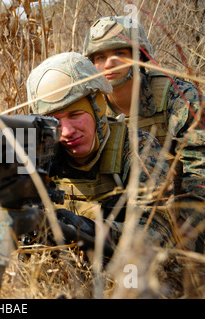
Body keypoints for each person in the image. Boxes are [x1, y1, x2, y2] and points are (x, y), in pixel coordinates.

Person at [26, 52, 174, 250]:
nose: (67, 132)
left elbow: (159, 233)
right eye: (55, 122)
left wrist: (90, 230)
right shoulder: (43, 153)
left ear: (99, 108)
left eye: (76, 114)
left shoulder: (137, 148)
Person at [82, 16, 205, 253]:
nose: (109, 63)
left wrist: (189, 219)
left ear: (141, 57)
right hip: (117, 212)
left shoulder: (177, 96)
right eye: (100, 57)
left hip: (177, 212)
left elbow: (201, 161)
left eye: (121, 53)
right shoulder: (88, 105)